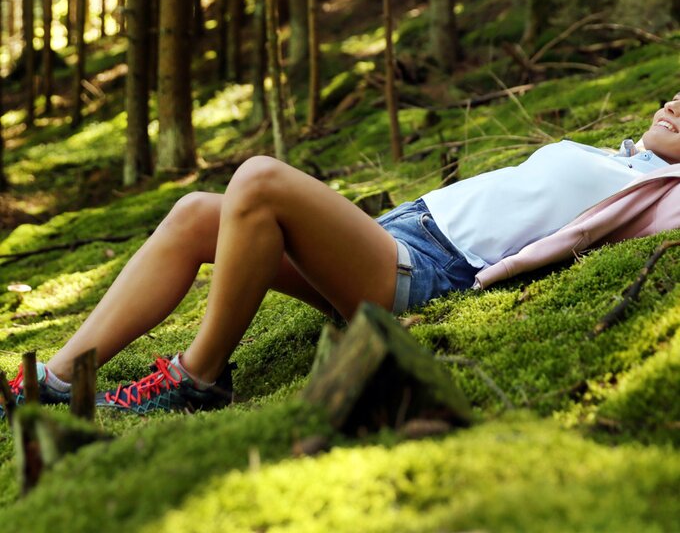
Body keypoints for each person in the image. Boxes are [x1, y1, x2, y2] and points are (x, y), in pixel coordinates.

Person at [2, 95, 680, 417]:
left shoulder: (662, 194)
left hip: (431, 271)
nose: (676, 102)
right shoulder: (623, 158)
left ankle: (197, 377)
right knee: (193, 214)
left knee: (260, 179)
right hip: (394, 234)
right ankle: (58, 380)